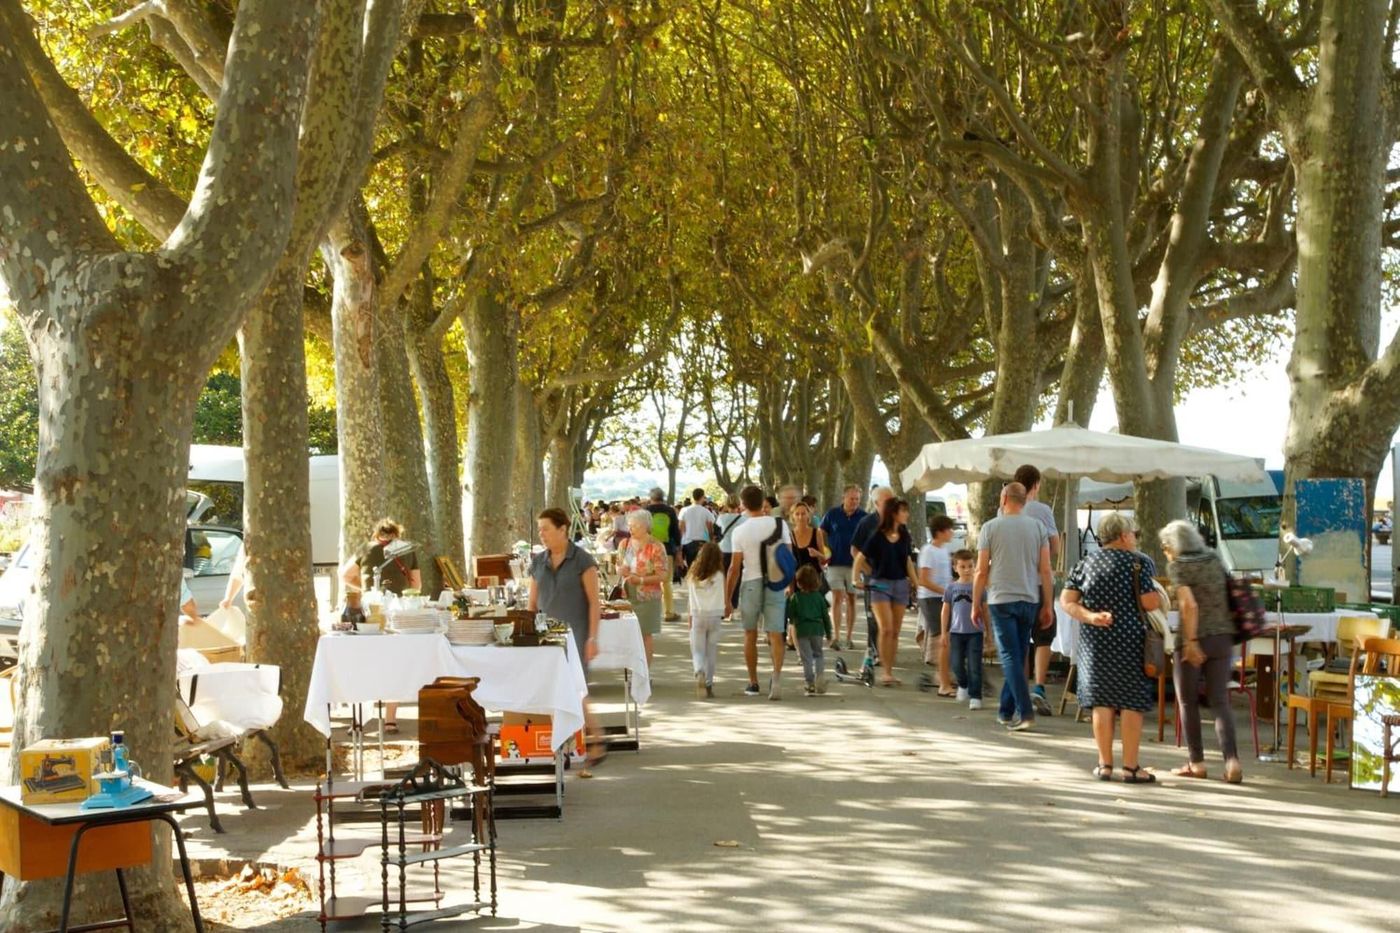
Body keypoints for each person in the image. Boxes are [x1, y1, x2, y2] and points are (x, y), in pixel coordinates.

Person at [1060, 512, 1162, 782]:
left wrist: (1091, 616)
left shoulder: (1085, 563)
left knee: (1101, 702)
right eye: (1134, 534)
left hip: (1096, 640)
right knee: (1131, 703)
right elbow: (1150, 603)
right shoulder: (1139, 563)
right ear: (1125, 535)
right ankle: (1130, 768)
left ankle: (1104, 765)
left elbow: (1067, 600)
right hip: (1131, 640)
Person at [1160, 519, 1242, 783]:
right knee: (1220, 701)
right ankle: (1232, 761)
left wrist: (1192, 641)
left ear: (1173, 545)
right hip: (1222, 636)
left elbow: (1189, 606)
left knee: (1187, 701)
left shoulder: (1178, 566)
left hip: (1194, 639)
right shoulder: (1214, 560)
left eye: (1165, 546)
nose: (1164, 551)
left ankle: (1196, 762)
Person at [973, 483, 1052, 732]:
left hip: (1001, 598)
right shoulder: (1038, 527)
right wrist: (1048, 603)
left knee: (1009, 655)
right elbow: (1046, 570)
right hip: (1029, 597)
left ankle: (1025, 710)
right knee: (1018, 655)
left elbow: (981, 570)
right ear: (1024, 501)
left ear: (1004, 498)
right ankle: (1005, 710)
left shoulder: (990, 527)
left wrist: (975, 603)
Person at [528, 508, 604, 762]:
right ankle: (571, 744)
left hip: (576, 636)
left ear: (563, 529)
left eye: (546, 529)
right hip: (545, 637)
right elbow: (532, 604)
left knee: (575, 690)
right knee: (555, 690)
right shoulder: (538, 562)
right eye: (539, 530)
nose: (542, 534)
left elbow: (595, 603)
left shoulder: (583, 561)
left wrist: (593, 638)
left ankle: (594, 739)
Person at [340, 519, 422, 733]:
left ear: (377, 534)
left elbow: (345, 574)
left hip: (370, 608)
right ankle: (390, 720)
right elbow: (416, 584)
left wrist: (365, 587)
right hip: (396, 611)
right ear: (397, 534)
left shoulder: (366, 548)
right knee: (393, 663)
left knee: (363, 663)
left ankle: (357, 719)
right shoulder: (406, 551)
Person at [726, 484, 790, 700]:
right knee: (775, 634)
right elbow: (788, 556)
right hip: (775, 582)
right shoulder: (780, 525)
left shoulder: (740, 531)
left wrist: (728, 599)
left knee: (750, 633)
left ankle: (753, 682)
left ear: (743, 504)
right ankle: (777, 678)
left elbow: (734, 568)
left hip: (751, 582)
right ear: (763, 501)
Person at [852, 498, 918, 687]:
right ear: (893, 513)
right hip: (880, 585)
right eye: (903, 511)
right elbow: (859, 557)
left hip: (900, 585)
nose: (906, 514)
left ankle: (889, 671)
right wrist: (855, 578)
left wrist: (916, 583)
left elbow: (906, 561)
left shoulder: (905, 535)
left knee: (895, 631)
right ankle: (884, 672)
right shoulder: (877, 536)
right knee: (886, 628)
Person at [1013, 464, 1062, 716]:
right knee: (1044, 634)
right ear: (1037, 484)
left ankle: (1020, 687)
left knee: (1020, 635)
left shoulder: (1006, 509)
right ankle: (1039, 687)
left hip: (1014, 582)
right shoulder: (1042, 510)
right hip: (1040, 581)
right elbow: (1054, 547)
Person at [820, 485, 867, 650]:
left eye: (857, 499)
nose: (854, 502)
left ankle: (849, 637)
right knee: (837, 598)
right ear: (844, 498)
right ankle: (837, 636)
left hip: (855, 565)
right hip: (834, 563)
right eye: (851, 498)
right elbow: (821, 532)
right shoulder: (832, 514)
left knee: (852, 599)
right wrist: (824, 551)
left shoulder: (864, 517)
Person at [621, 510, 667, 667]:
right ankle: (632, 668)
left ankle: (644, 672)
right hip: (626, 594)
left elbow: (663, 575)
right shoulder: (624, 544)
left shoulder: (656, 546)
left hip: (647, 596)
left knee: (645, 634)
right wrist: (619, 570)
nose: (630, 529)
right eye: (630, 526)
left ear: (645, 526)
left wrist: (640, 579)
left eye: (634, 526)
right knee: (628, 634)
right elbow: (619, 564)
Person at [941, 549, 984, 709]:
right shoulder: (951, 588)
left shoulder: (979, 588)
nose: (967, 570)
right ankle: (963, 685)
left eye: (970, 566)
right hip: (956, 632)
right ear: (955, 568)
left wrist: (988, 632)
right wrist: (944, 632)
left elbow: (985, 609)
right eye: (963, 566)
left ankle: (976, 696)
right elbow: (945, 610)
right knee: (956, 663)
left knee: (975, 665)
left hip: (975, 632)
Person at [918, 515, 955, 694]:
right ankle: (943, 681)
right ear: (940, 532)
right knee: (943, 638)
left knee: (947, 637)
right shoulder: (928, 550)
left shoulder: (944, 550)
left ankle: (943, 673)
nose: (952, 533)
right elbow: (923, 580)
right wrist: (945, 592)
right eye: (949, 529)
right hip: (930, 598)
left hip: (943, 598)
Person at [685, 542, 726, 698]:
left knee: (697, 650)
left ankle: (699, 671)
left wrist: (689, 617)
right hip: (715, 615)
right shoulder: (719, 576)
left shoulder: (693, 576)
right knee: (711, 651)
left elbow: (690, 599)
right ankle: (708, 683)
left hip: (697, 615)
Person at [787, 564, 832, 696]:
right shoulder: (819, 597)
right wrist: (829, 633)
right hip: (817, 629)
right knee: (818, 654)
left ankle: (809, 683)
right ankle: (820, 676)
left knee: (806, 658)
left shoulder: (796, 597)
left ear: (799, 583)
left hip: (802, 630)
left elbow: (791, 615)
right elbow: (825, 616)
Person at [645, 487, 683, 622]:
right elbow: (676, 533)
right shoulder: (670, 511)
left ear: (651, 497)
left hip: (648, 550)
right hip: (666, 550)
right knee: (666, 583)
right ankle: (669, 612)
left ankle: (649, 613)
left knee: (648, 580)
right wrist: (678, 550)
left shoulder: (646, 511)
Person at [679, 487, 715, 566]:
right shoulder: (706, 512)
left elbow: (681, 528)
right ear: (702, 497)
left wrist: (679, 546)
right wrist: (712, 541)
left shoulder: (684, 510)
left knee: (690, 567)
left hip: (688, 542)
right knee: (702, 567)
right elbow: (710, 529)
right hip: (702, 543)